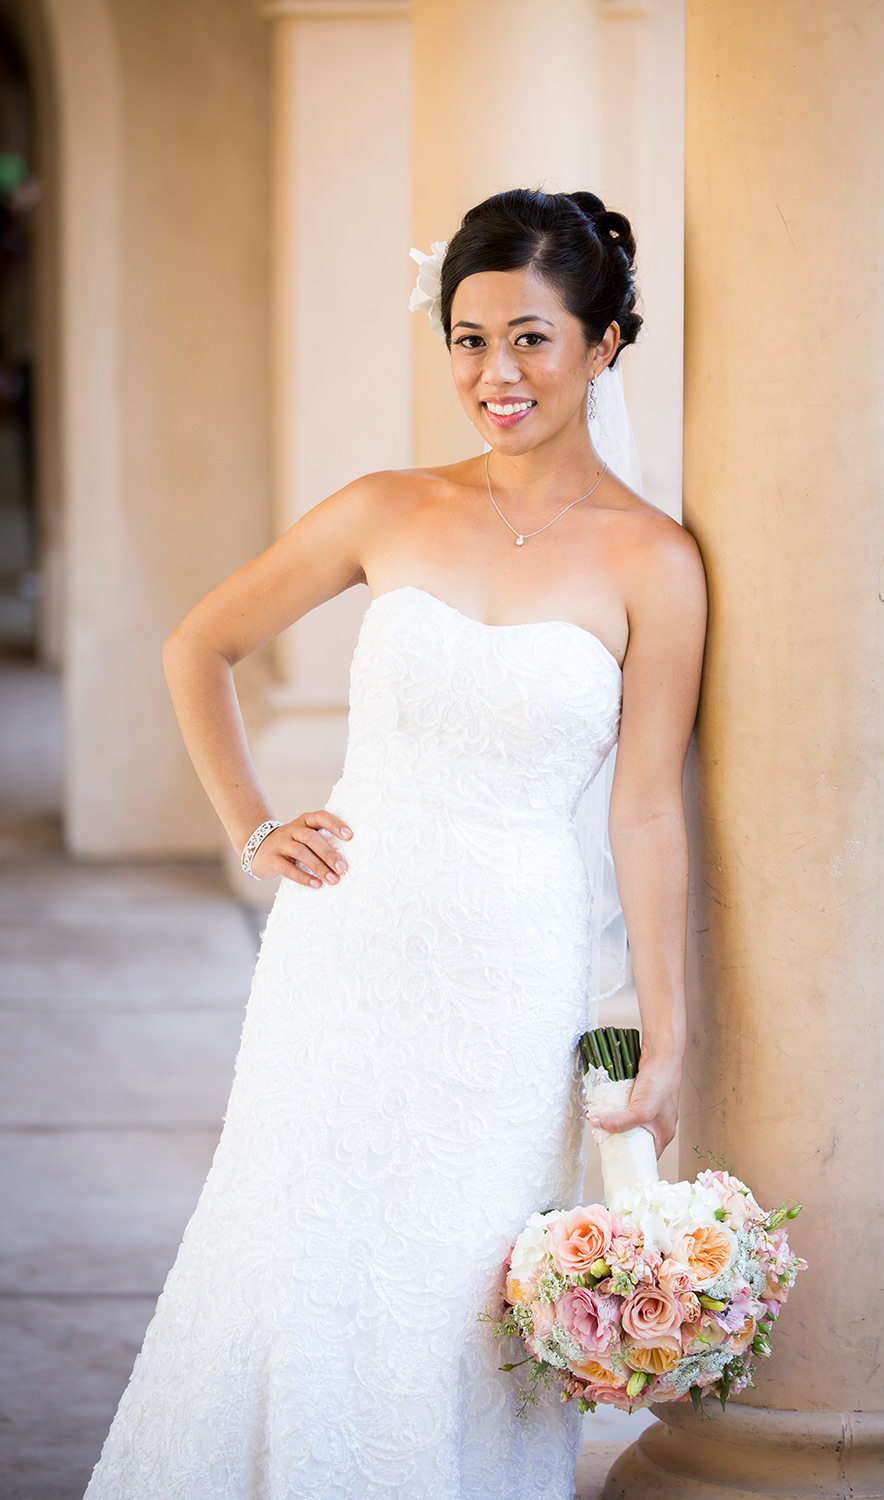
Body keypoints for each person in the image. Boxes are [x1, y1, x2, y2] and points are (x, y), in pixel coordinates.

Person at [82, 188, 707, 1500]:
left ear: (605, 345)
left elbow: (648, 806)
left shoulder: (658, 565)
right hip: (345, 952)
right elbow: (199, 644)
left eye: (532, 338)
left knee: (449, 1288)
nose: (497, 374)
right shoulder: (385, 505)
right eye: (469, 339)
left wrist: (666, 1022)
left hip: (511, 976)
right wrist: (252, 823)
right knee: (296, 1254)